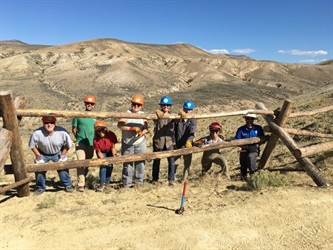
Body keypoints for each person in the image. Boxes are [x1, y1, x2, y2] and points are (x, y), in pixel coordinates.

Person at [28, 116, 73, 195]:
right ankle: (40, 187)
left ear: (55, 123)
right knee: (39, 169)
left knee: (63, 168)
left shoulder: (62, 132)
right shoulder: (37, 133)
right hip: (43, 153)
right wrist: (38, 156)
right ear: (43, 123)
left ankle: (67, 185)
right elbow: (32, 146)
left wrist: (63, 154)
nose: (49, 125)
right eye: (46, 123)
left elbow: (69, 144)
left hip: (58, 152)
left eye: (51, 123)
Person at [117, 95, 149, 188]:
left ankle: (139, 182)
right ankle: (127, 183)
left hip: (140, 142)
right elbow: (119, 125)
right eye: (134, 104)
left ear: (141, 106)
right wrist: (131, 128)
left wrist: (141, 133)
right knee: (127, 163)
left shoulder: (143, 115)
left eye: (138, 105)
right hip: (128, 142)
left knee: (140, 163)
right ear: (131, 104)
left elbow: (146, 128)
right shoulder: (126, 113)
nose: (136, 106)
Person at [72, 95, 97, 192]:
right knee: (81, 162)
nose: (89, 105)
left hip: (91, 143)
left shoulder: (96, 116)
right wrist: (78, 138)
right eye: (87, 103)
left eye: (91, 103)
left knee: (87, 162)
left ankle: (84, 179)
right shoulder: (78, 115)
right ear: (85, 104)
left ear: (94, 105)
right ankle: (81, 184)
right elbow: (74, 129)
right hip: (80, 142)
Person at [152, 95, 176, 186]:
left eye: (167, 105)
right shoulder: (157, 114)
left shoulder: (172, 116)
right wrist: (156, 112)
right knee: (156, 161)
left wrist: (181, 114)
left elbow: (179, 119)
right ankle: (155, 179)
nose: (166, 107)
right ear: (161, 106)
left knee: (171, 161)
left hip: (169, 141)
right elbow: (153, 119)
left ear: (170, 106)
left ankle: (171, 180)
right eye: (164, 105)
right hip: (159, 141)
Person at [235, 114, 264, 180]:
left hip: (254, 149)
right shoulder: (241, 129)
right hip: (244, 149)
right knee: (243, 160)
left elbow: (262, 139)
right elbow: (237, 141)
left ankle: (253, 176)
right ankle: (243, 176)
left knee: (251, 157)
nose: (249, 120)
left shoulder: (258, 128)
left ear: (253, 120)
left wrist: (257, 145)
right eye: (248, 118)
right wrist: (245, 147)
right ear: (245, 119)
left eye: (251, 119)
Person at [174, 100, 197, 181]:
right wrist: (174, 141)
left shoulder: (193, 120)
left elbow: (192, 131)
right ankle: (172, 179)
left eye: (189, 110)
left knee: (187, 163)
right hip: (178, 144)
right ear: (183, 109)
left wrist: (189, 140)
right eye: (186, 109)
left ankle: (184, 179)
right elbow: (173, 130)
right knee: (175, 162)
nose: (187, 111)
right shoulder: (178, 119)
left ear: (192, 110)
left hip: (187, 145)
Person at [93, 120, 118, 192]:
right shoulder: (95, 140)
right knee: (103, 166)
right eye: (98, 131)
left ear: (105, 129)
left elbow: (113, 147)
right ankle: (102, 183)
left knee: (110, 166)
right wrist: (103, 160)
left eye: (102, 130)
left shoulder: (111, 135)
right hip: (102, 152)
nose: (101, 132)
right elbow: (99, 152)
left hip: (110, 150)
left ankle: (107, 182)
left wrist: (115, 156)